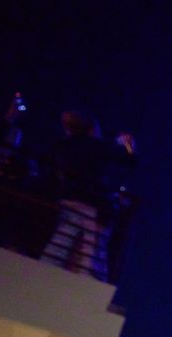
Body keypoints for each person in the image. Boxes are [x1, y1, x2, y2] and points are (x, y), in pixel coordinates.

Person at [40, 110, 136, 279]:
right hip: (90, 203)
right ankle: (86, 283)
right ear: (91, 129)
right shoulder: (96, 147)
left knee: (60, 243)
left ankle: (42, 274)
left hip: (68, 199)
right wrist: (128, 145)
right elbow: (130, 160)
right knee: (90, 251)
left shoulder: (63, 146)